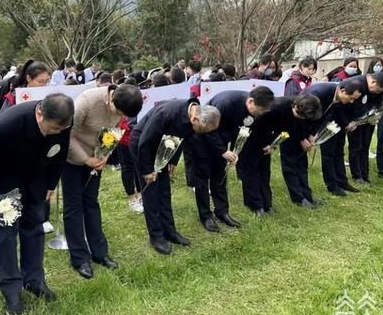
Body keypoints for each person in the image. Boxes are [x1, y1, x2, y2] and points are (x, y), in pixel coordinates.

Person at [0, 94, 74, 315]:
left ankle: (34, 280)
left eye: (61, 128)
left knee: (34, 230)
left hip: (36, 181)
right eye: (52, 128)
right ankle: (11, 289)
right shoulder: (8, 124)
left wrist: (51, 182)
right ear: (40, 113)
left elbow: (61, 152)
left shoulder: (64, 120)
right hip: (4, 183)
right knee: (5, 236)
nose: (56, 133)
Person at [62, 84, 143, 278]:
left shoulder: (122, 106)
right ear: (111, 98)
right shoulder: (87, 102)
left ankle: (100, 253)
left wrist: (105, 155)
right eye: (120, 111)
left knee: (91, 202)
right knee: (74, 206)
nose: (120, 115)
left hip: (96, 159)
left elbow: (114, 130)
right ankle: (80, 258)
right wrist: (85, 159)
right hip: (72, 158)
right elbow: (67, 134)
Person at [130, 99, 221, 255]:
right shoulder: (167, 114)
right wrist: (146, 171)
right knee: (151, 193)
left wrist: (172, 159)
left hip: (163, 149)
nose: (201, 133)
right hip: (143, 148)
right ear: (195, 119)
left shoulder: (193, 115)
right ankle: (156, 236)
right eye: (202, 130)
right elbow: (145, 141)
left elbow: (181, 138)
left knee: (164, 191)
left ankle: (170, 232)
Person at [192, 87, 275, 231]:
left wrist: (235, 152)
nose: (259, 114)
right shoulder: (225, 103)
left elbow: (241, 131)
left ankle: (222, 211)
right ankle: (206, 216)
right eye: (259, 111)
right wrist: (223, 150)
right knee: (202, 179)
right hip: (202, 139)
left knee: (220, 177)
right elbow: (206, 126)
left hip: (222, 143)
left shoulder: (252, 110)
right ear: (250, 101)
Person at [246, 93, 323, 213]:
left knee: (268, 172)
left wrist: (273, 144)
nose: (304, 120)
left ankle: (269, 204)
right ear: (296, 107)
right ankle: (256, 205)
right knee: (255, 172)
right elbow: (256, 128)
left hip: (275, 138)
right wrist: (264, 144)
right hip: (256, 139)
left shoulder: (305, 110)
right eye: (302, 117)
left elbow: (288, 127)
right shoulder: (274, 109)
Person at [303, 79, 363, 196]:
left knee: (338, 153)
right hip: (302, 127)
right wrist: (305, 136)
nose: (352, 102)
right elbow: (305, 116)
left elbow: (325, 115)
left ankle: (342, 182)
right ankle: (331, 185)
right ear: (343, 91)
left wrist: (314, 133)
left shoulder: (337, 96)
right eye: (351, 98)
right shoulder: (319, 93)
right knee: (328, 155)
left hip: (321, 125)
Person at [346, 69, 383, 184]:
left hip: (368, 121)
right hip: (353, 121)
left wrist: (375, 115)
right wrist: (352, 121)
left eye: (380, 92)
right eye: (377, 90)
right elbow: (350, 104)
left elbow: (377, 102)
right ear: (373, 82)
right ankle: (356, 175)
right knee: (355, 147)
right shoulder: (356, 83)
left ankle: (364, 174)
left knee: (365, 146)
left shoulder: (379, 90)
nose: (377, 93)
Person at [275, 94, 323, 208]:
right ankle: (298, 198)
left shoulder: (312, 105)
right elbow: (287, 125)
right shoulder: (283, 107)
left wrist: (310, 135)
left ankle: (307, 195)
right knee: (290, 167)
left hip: (303, 134)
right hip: (288, 135)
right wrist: (301, 139)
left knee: (302, 166)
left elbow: (314, 121)